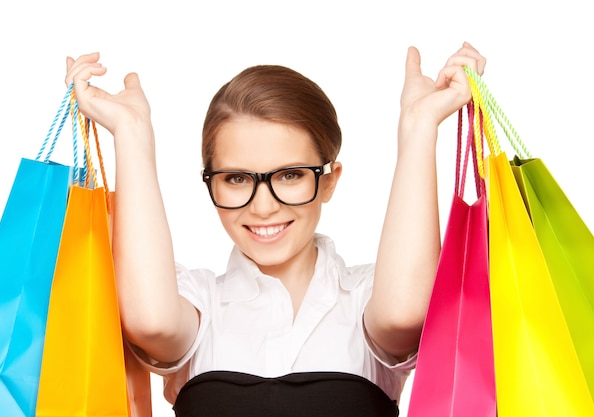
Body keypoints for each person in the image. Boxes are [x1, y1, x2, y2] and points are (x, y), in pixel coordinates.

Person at [65, 42, 486, 416]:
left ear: (329, 180)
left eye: (289, 176)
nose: (263, 207)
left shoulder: (363, 299)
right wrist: (132, 134)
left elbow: (403, 314)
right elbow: (152, 322)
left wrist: (419, 128)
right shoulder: (202, 307)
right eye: (236, 179)